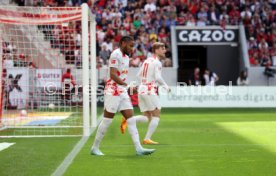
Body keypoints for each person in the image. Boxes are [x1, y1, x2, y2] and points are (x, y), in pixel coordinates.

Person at [90, 36, 155, 156]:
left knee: (130, 119)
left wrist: (128, 88)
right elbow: (113, 75)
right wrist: (127, 86)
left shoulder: (126, 57)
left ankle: (138, 148)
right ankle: (95, 147)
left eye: (133, 46)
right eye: (130, 45)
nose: (132, 48)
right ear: (123, 43)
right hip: (112, 90)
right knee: (107, 120)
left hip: (122, 90)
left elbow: (121, 75)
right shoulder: (116, 54)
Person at [121, 42, 170, 145]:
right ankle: (147, 138)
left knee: (147, 116)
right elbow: (157, 77)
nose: (164, 50)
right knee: (156, 115)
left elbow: (138, 75)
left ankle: (128, 119)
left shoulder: (147, 61)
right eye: (162, 48)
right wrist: (165, 86)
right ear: (156, 50)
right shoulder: (157, 62)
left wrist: (139, 85)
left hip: (142, 90)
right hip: (149, 90)